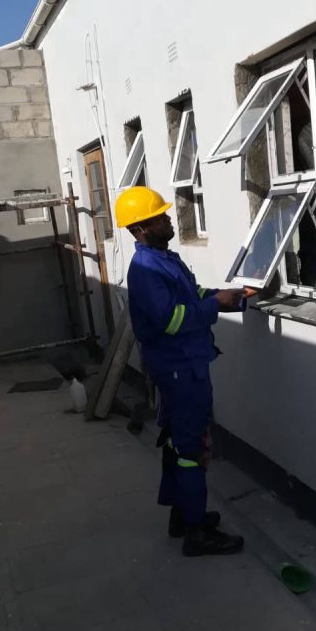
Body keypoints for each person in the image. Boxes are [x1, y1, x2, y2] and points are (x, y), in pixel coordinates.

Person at [114, 186, 245, 557]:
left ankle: (183, 517)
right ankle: (196, 533)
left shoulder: (163, 258)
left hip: (184, 365)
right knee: (191, 448)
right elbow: (171, 320)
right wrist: (215, 305)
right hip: (179, 369)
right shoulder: (145, 268)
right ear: (141, 228)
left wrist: (226, 297)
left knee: (177, 441)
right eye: (160, 217)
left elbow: (192, 294)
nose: (170, 219)